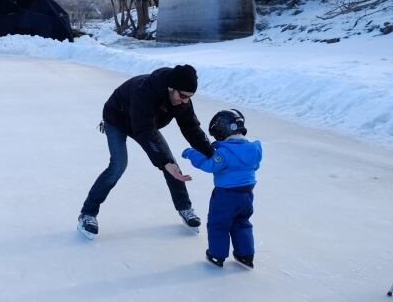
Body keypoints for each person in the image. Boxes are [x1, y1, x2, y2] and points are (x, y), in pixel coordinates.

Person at [77, 65, 214, 240]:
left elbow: (191, 128)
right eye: (183, 96)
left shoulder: (181, 98)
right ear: (170, 88)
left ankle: (184, 207)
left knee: (172, 165)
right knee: (118, 166)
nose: (186, 101)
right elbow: (144, 132)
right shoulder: (145, 91)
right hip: (117, 120)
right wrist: (163, 162)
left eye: (190, 97)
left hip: (145, 124)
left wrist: (210, 152)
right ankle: (87, 213)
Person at [182, 109, 262, 268]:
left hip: (226, 195)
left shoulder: (224, 152)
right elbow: (255, 166)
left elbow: (210, 165)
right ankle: (245, 255)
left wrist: (191, 154)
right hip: (247, 194)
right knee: (242, 222)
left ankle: (217, 255)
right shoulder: (254, 149)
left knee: (218, 224)